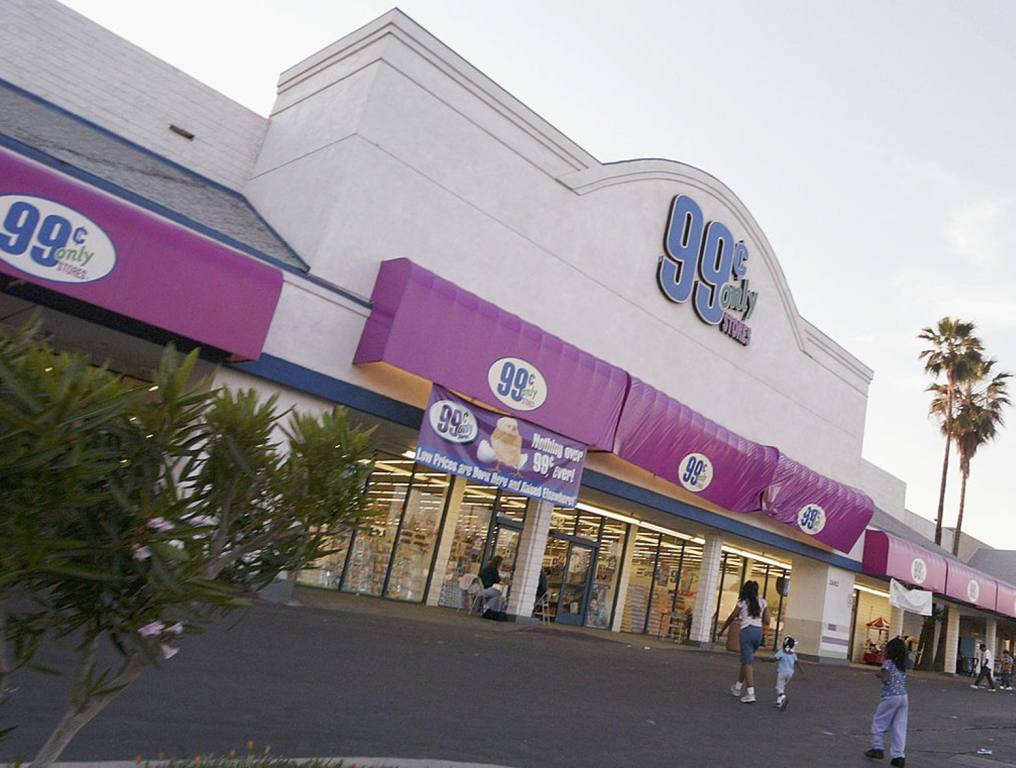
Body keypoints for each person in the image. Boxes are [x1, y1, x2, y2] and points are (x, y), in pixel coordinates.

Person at [719, 580, 770, 704]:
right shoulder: (762, 602)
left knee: (747, 663)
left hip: (746, 631)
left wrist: (722, 630)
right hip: (758, 632)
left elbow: (732, 617)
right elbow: (767, 620)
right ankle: (737, 687)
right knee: (746, 660)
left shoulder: (742, 602)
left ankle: (751, 693)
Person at [865, 636, 908, 766]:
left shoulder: (888, 663)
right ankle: (899, 756)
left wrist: (879, 674)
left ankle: (877, 747)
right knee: (899, 726)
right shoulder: (902, 665)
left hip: (890, 696)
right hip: (903, 697)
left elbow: (885, 678)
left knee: (879, 721)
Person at [773, 635, 803, 710]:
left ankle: (783, 697)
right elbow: (797, 662)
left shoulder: (781, 652)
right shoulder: (793, 654)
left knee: (779, 687)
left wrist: (765, 660)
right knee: (782, 686)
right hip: (790, 674)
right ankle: (779, 702)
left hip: (782, 673)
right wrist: (801, 670)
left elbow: (774, 659)